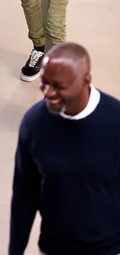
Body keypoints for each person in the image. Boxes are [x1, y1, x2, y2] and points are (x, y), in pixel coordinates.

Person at [9, 42, 120, 255]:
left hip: (109, 248)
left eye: (58, 86)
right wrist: (15, 251)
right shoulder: (34, 123)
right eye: (44, 83)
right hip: (54, 245)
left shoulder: (115, 121)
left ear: (85, 81)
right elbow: (24, 194)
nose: (48, 92)